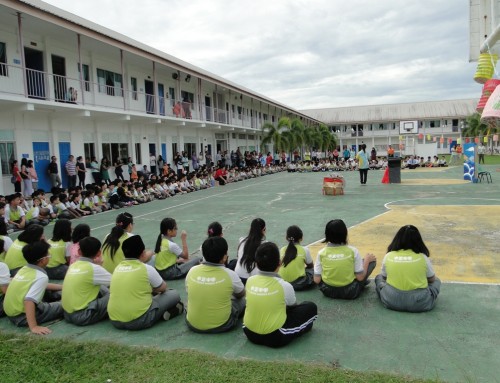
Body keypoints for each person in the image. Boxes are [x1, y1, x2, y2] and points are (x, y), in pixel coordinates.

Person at [243, 242, 317, 348]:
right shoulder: (284, 285)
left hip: (248, 331)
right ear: (279, 263)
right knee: (310, 307)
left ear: (256, 263)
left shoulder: (250, 280)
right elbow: (292, 307)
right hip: (275, 337)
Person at [108, 235, 183, 330]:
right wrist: (150, 289)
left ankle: (164, 313)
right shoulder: (146, 268)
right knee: (173, 294)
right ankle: (165, 313)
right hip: (139, 320)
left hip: (115, 321)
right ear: (143, 254)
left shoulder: (117, 268)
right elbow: (163, 288)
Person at [374, 225, 441, 313]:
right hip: (419, 302)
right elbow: (431, 279)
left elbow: (384, 277)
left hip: (391, 300)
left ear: (397, 239)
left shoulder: (389, 256)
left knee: (379, 278)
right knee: (437, 281)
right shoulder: (422, 257)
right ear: (418, 241)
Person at [185, 237, 245, 333]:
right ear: (224, 257)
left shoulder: (192, 271)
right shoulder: (230, 274)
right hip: (222, 325)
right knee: (243, 300)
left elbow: (188, 291)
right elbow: (241, 294)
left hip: (192, 324)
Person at [4, 241, 63, 335]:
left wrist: (62, 287)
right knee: (65, 305)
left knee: (54, 292)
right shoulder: (41, 276)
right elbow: (29, 301)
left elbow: (41, 285)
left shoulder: (23, 269)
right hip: (22, 316)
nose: (49, 256)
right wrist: (34, 327)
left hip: (11, 313)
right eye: (48, 254)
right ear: (43, 260)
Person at [314, 219, 376, 300]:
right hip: (350, 292)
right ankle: (360, 284)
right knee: (370, 261)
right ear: (345, 233)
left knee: (318, 271)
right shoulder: (353, 251)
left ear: (327, 235)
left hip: (327, 291)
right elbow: (360, 277)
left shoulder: (321, 253)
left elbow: (316, 280)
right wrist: (367, 261)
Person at [62, 237, 112, 326]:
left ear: (79, 251)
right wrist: (100, 265)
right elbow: (117, 282)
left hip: (67, 314)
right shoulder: (94, 269)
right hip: (83, 315)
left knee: (99, 286)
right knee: (116, 295)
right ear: (99, 253)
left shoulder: (73, 265)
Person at [278, 225, 314, 291]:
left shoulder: (282, 249)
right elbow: (310, 266)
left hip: (282, 282)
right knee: (313, 271)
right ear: (301, 238)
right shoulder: (304, 250)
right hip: (298, 284)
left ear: (286, 238)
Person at [234, 218, 266, 284]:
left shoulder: (241, 241)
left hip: (238, 276)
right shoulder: (265, 245)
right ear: (263, 230)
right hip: (254, 279)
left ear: (250, 229)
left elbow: (238, 256)